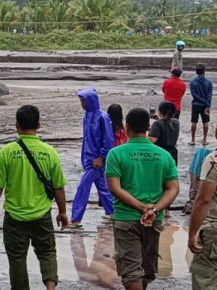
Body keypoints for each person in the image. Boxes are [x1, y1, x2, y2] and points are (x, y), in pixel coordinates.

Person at [0, 105, 69, 290]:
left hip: (14, 217)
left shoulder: (6, 152)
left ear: (16, 125)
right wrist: (62, 212)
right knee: (47, 252)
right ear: (39, 125)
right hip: (42, 214)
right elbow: (58, 187)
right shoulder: (50, 152)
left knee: (16, 260)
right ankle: (50, 288)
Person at [105, 107, 179, 290]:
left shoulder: (116, 153)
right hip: (154, 220)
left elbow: (114, 188)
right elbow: (173, 189)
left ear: (126, 127)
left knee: (132, 274)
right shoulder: (164, 155)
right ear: (148, 127)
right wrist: (153, 210)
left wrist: (141, 208)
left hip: (126, 218)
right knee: (145, 271)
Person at [69, 88, 115, 229]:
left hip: (95, 161)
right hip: (89, 160)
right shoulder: (87, 116)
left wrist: (101, 157)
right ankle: (113, 212)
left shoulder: (103, 117)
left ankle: (75, 220)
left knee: (83, 188)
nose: (82, 104)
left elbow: (108, 139)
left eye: (83, 100)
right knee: (103, 187)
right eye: (81, 101)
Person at [188, 127, 217, 288]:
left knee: (205, 281)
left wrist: (192, 234)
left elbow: (204, 200)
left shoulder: (213, 160)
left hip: (213, 231)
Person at [148, 101, 180, 165]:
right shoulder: (176, 122)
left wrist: (145, 131)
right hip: (172, 153)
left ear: (160, 112)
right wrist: (159, 119)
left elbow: (152, 140)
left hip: (159, 153)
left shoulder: (157, 124)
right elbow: (166, 122)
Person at [190, 64, 213, 146]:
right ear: (204, 72)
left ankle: (193, 139)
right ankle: (204, 139)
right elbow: (210, 95)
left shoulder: (192, 82)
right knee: (206, 122)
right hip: (205, 105)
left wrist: (201, 100)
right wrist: (208, 104)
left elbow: (193, 94)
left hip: (196, 104)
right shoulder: (209, 82)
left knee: (194, 122)